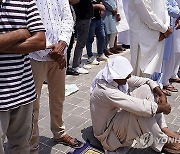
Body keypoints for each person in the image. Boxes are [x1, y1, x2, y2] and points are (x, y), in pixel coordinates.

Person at [90, 56, 180, 153]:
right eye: (126, 75)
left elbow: (147, 81)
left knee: (146, 89)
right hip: (108, 134)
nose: (129, 77)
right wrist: (162, 108)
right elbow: (141, 108)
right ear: (116, 75)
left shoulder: (114, 77)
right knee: (140, 112)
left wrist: (161, 94)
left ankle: (163, 129)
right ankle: (164, 141)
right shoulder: (105, 90)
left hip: (116, 118)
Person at [29, 1, 78, 153]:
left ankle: (59, 132)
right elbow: (27, 25)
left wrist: (62, 44)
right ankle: (32, 144)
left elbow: (67, 18)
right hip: (35, 56)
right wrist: (52, 50)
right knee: (32, 103)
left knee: (58, 97)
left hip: (59, 54)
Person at [0, 0, 46, 153]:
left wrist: (3, 44)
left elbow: (40, 41)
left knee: (21, 147)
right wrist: (20, 33)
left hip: (23, 91)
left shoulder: (25, 1)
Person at [129, 0, 172, 77]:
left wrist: (166, 27)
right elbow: (147, 14)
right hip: (144, 37)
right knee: (141, 74)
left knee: (154, 71)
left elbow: (164, 9)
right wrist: (164, 29)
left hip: (159, 34)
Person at [161, 0, 180, 96]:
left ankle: (170, 76)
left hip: (174, 23)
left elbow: (174, 5)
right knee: (167, 56)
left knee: (175, 53)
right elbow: (168, 8)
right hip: (165, 26)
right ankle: (163, 81)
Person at [71, 0, 93, 74]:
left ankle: (79, 63)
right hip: (82, 18)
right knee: (81, 43)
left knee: (83, 42)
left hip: (86, 17)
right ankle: (76, 65)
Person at [86, 0, 108, 65]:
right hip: (90, 19)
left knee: (102, 36)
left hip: (98, 19)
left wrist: (102, 9)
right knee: (90, 39)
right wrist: (99, 6)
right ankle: (90, 56)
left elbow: (100, 2)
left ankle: (100, 54)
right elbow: (87, 6)